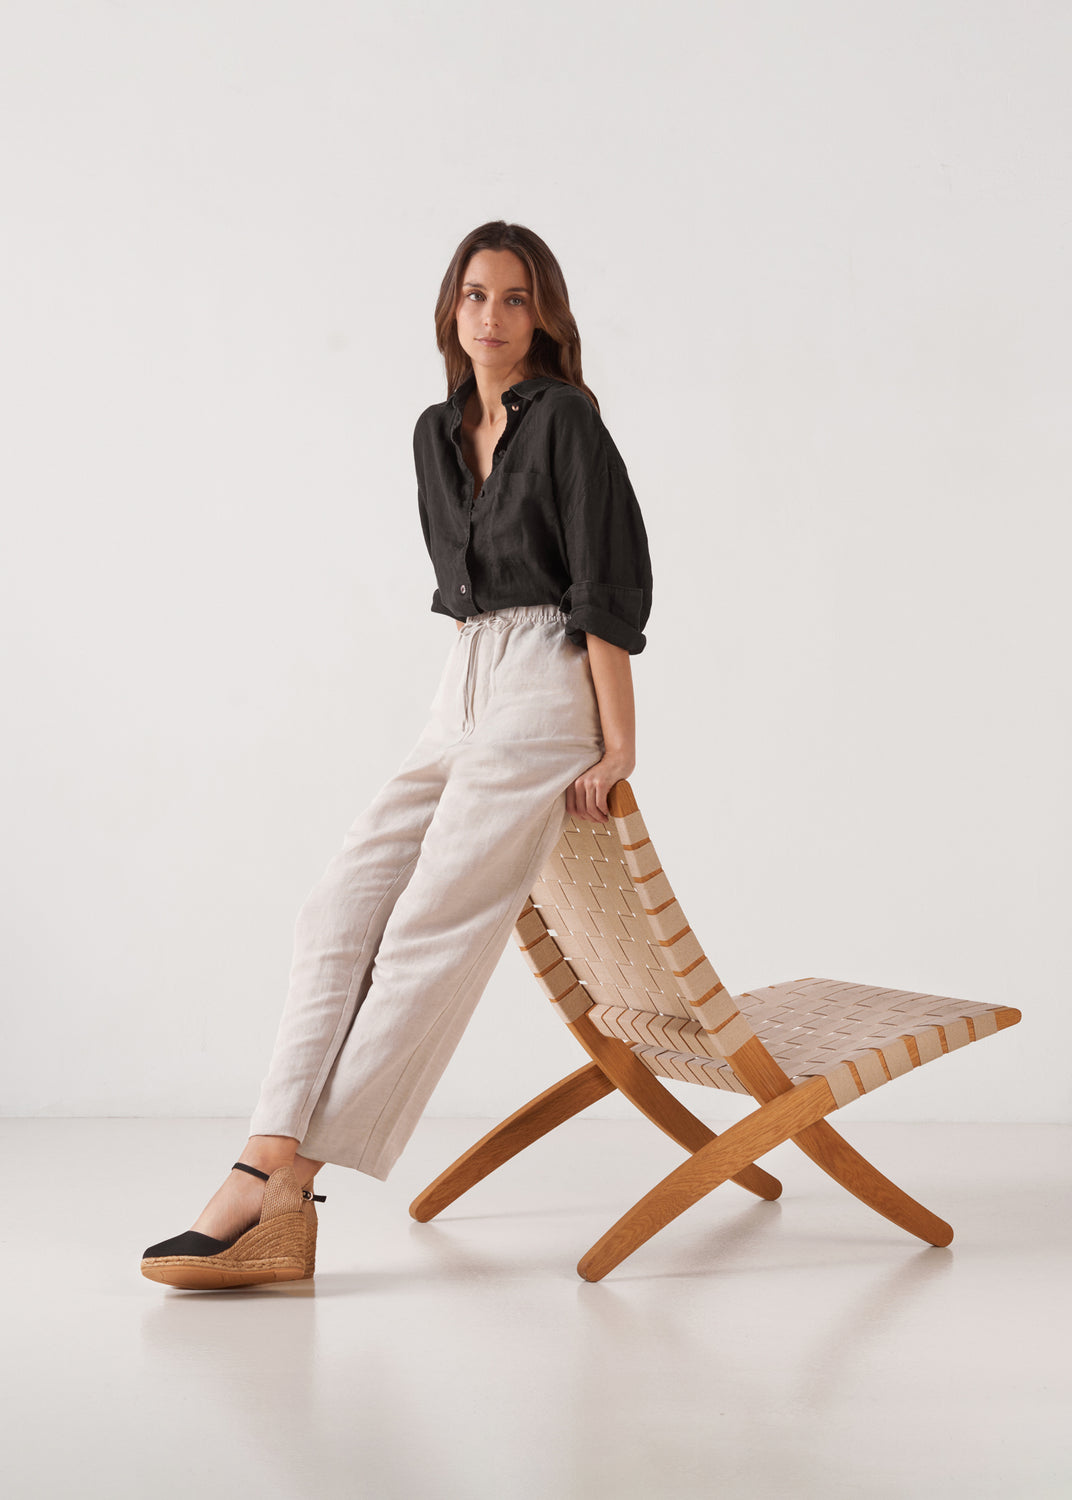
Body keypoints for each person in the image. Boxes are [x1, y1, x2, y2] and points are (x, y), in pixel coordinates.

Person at [141, 220, 653, 1288]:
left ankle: (273, 1179)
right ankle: (272, 1162)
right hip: (463, 678)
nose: (493, 317)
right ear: (448, 309)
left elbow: (604, 588)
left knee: (427, 927)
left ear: (545, 315)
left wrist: (617, 740)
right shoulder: (433, 431)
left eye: (515, 299)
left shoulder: (567, 425)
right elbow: (467, 594)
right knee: (338, 905)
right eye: (475, 295)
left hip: (546, 678)